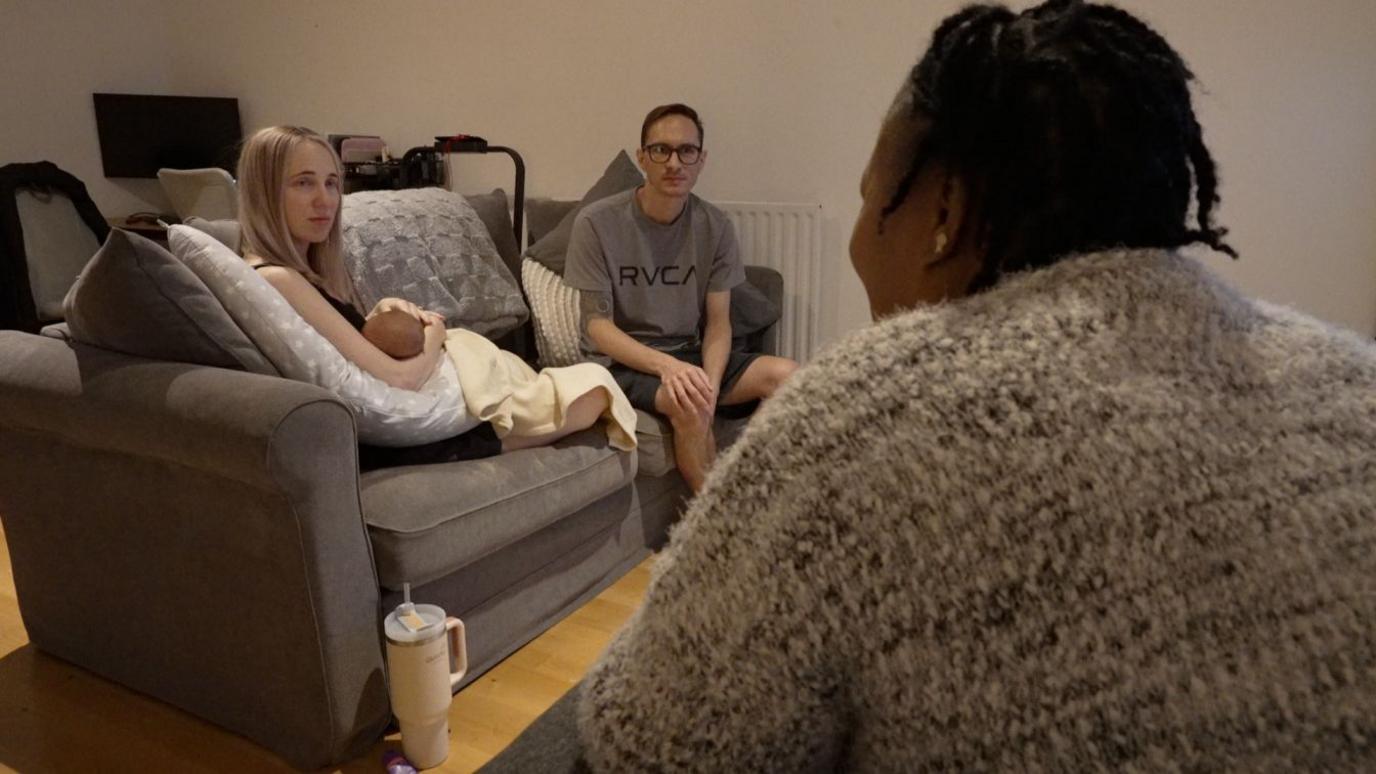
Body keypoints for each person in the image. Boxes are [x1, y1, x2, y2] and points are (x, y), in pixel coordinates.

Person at [577, 2, 1376, 771]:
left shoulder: (853, 421)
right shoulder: (1354, 383)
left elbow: (658, 745)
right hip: (636, 366)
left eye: (867, 198)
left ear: (944, 215)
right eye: (661, 150)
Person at [237, 126, 633, 464]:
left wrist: (384, 310)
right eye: (303, 182)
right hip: (425, 397)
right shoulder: (277, 279)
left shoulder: (307, 275)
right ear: (265, 192)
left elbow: (355, 342)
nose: (325, 200)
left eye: (331, 183)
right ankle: (489, 441)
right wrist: (437, 334)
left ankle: (494, 434)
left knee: (580, 387)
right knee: (595, 387)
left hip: (439, 384)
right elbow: (399, 378)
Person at [563, 104, 798, 491]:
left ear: (701, 160)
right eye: (661, 150)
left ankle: (756, 496)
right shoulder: (596, 223)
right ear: (642, 158)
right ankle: (716, 528)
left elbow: (719, 323)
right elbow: (597, 327)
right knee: (689, 403)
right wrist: (667, 369)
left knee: (788, 377)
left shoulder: (715, 226)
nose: (674, 163)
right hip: (620, 362)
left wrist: (711, 380)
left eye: (686, 151)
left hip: (687, 354)